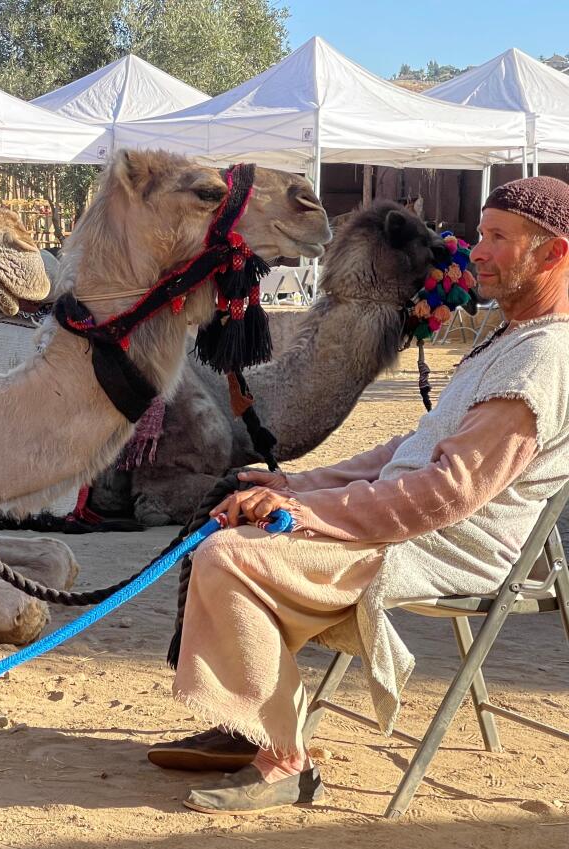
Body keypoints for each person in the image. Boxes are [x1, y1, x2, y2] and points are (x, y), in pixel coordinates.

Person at [152, 176, 569, 814]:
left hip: (445, 544)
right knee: (228, 521)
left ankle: (284, 758)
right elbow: (409, 450)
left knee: (231, 556)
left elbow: (449, 491)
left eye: (497, 239)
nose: (476, 251)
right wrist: (293, 484)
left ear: (553, 254)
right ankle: (244, 718)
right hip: (408, 519)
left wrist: (305, 513)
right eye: (480, 234)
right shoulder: (506, 341)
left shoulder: (540, 360)